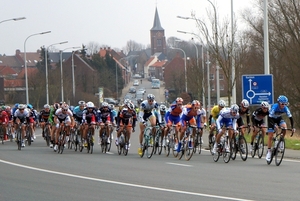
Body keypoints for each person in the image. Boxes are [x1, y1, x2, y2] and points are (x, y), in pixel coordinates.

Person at [266, 95, 296, 162]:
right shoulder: (275, 107)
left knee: (284, 128)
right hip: (271, 119)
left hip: (279, 119)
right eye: (282, 104)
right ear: (279, 103)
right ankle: (269, 152)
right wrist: (274, 125)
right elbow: (270, 118)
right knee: (270, 136)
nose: (283, 105)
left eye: (285, 104)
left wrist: (293, 127)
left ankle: (281, 141)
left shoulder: (285, 108)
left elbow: (291, 118)